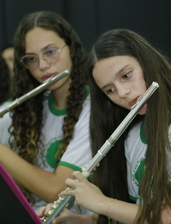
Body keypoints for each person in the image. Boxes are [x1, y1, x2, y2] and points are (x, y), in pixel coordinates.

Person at [39, 28, 171, 224]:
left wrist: (102, 202)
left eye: (126, 75)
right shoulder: (134, 133)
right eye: (110, 90)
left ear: (148, 62)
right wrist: (82, 220)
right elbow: (138, 214)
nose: (122, 93)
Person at [0, 11, 93, 214]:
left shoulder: (95, 108)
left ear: (71, 49)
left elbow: (57, 190)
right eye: (31, 58)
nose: (42, 66)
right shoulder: (30, 107)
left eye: (51, 52)